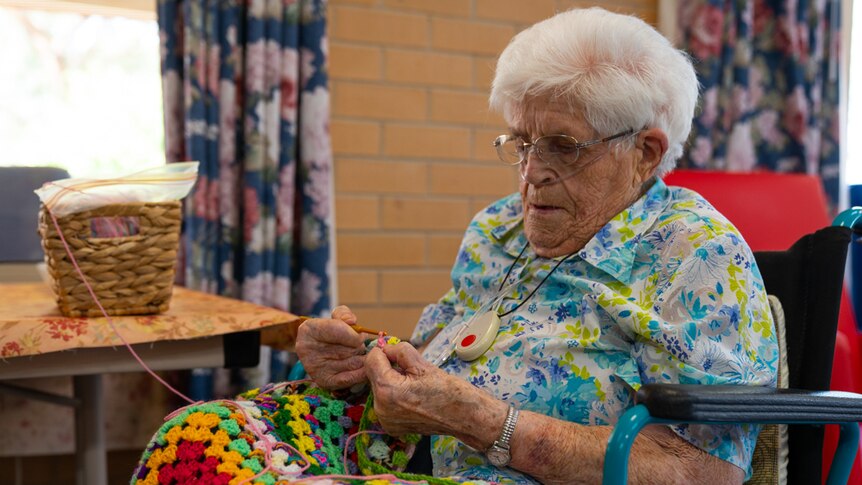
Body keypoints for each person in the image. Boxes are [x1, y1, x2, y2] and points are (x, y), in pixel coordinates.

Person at [296, 7, 777, 485]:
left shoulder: (697, 254)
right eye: (522, 142)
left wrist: (484, 424)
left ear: (645, 152)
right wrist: (363, 361)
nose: (531, 172)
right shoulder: (498, 228)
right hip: (389, 456)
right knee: (228, 431)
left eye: (563, 146)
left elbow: (704, 471)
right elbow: (431, 355)